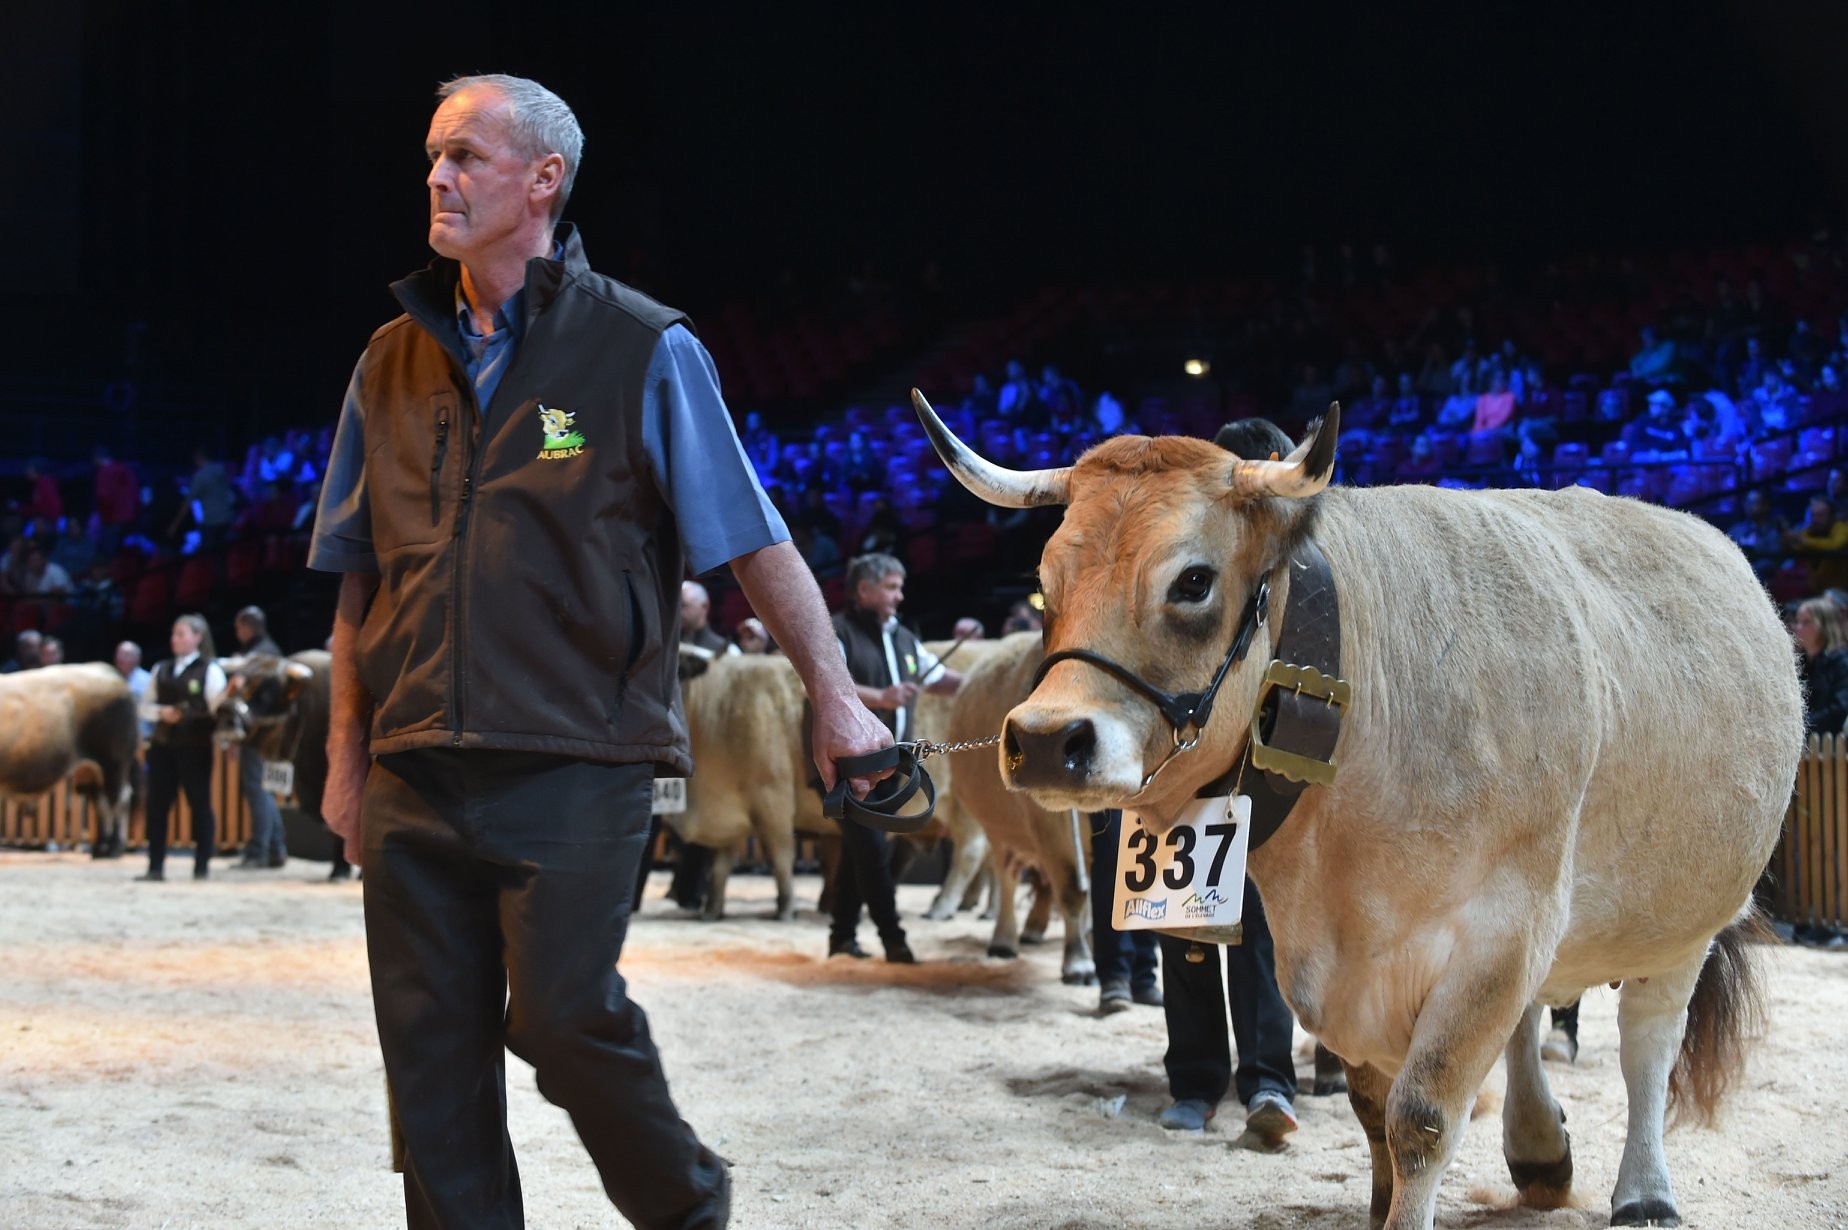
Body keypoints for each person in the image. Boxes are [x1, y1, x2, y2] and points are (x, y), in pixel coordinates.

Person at [308, 73, 891, 1230]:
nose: (438, 176)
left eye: (466, 155)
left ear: (543, 180)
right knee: (430, 1069)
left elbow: (752, 539)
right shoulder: (386, 361)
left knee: (564, 1016)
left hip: (578, 758)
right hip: (415, 763)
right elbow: (355, 582)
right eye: (433, 155)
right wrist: (344, 757)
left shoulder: (641, 347)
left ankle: (684, 1204)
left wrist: (836, 696)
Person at [1154, 416, 1304, 1146]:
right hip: (1185, 758)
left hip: (1270, 760)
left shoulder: (1302, 562)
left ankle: (1270, 1080)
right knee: (1180, 922)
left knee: (1259, 931)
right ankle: (1196, 1079)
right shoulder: (1187, 548)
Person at [826, 552, 964, 963]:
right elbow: (825, 687)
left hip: (890, 765)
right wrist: (882, 697)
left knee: (860, 851)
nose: (899, 596)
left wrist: (983, 684)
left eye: (900, 587)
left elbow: (940, 681)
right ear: (863, 589)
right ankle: (893, 939)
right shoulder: (837, 632)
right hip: (846, 765)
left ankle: (841, 938)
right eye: (891, 587)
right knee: (871, 851)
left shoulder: (905, 637)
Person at [137, 614, 227, 882]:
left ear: (197, 637)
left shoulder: (210, 669)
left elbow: (216, 708)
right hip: (163, 746)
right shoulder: (160, 669)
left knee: (199, 804)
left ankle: (201, 867)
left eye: (181, 634)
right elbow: (144, 707)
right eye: (174, 634)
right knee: (157, 806)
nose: (174, 639)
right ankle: (155, 867)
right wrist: (161, 713)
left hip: (195, 747)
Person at [230, 605, 289, 869]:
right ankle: (275, 849)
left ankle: (259, 851)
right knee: (265, 789)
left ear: (246, 627)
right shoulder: (269, 650)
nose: (236, 632)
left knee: (258, 789)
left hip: (260, 732)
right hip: (272, 732)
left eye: (238, 627)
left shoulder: (260, 655)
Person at [1089, 809, 1160, 1013]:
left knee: (1149, 849)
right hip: (1107, 785)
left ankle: (1143, 974)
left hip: (1147, 779)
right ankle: (1114, 974)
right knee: (1112, 846)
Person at [1793, 596, 1848, 736]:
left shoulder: (1841, 662)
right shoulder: (1799, 665)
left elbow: (1841, 708)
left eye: (1806, 622)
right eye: (1798, 621)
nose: (1798, 628)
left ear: (1824, 625)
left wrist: (1804, 725)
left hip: (1833, 748)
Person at [1787, 497, 1848, 595]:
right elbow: (1796, 547)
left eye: (1820, 515)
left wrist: (1804, 541)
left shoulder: (1842, 529)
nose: (1815, 520)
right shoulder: (1811, 530)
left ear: (1832, 517)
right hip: (1817, 589)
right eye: (1813, 515)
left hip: (1843, 590)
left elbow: (1835, 545)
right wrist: (1787, 539)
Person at [679, 580, 738, 656]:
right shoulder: (668, 644)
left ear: (705, 606)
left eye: (683, 605)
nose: (678, 612)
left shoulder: (726, 650)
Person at [114, 640, 154, 740]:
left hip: (142, 737)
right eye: (119, 654)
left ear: (137, 659)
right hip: (117, 739)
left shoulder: (148, 681)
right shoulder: (111, 680)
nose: (120, 658)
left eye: (126, 655)